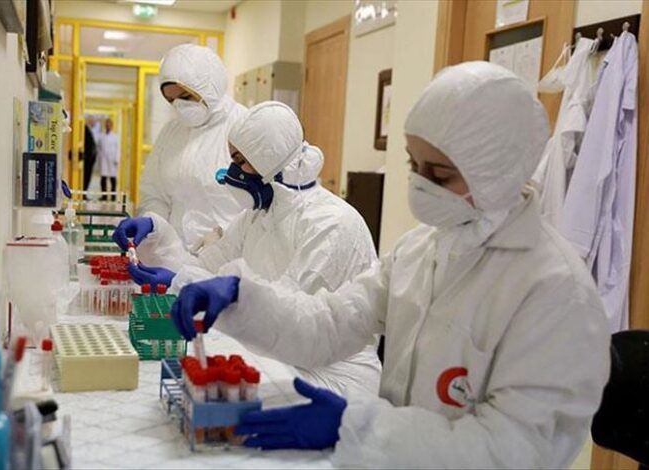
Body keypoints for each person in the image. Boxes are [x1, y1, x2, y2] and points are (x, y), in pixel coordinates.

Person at [169, 62, 611, 467]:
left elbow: (513, 450)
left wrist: (360, 429)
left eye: (438, 174)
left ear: (497, 173)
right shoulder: (420, 250)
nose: (418, 185)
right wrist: (242, 301)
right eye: (412, 164)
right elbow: (331, 323)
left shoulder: (554, 292)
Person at [114, 102, 382, 396]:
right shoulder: (258, 215)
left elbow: (295, 320)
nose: (232, 172)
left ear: (270, 162)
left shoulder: (330, 224)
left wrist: (215, 291)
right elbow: (206, 267)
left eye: (242, 161)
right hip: (274, 356)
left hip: (333, 378)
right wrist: (157, 236)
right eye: (233, 159)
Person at [139, 44, 247, 250]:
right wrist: (153, 224)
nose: (180, 106)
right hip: (174, 254)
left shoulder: (244, 127)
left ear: (210, 86)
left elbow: (261, 208)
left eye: (186, 97)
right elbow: (154, 193)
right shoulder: (171, 133)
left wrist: (225, 240)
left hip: (231, 256)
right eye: (171, 100)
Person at [98, 118, 120, 200]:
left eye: (109, 124)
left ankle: (113, 196)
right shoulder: (101, 136)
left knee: (113, 178)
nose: (108, 126)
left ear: (112, 126)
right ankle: (104, 196)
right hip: (103, 159)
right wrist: (100, 158)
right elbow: (99, 148)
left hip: (112, 159)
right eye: (106, 124)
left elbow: (118, 149)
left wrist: (117, 159)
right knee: (103, 177)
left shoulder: (115, 137)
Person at [83, 116, 98, 192]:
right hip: (87, 159)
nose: (94, 123)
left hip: (90, 159)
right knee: (86, 176)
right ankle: (83, 192)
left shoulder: (89, 130)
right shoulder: (85, 129)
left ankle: (84, 192)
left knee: (88, 177)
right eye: (93, 121)